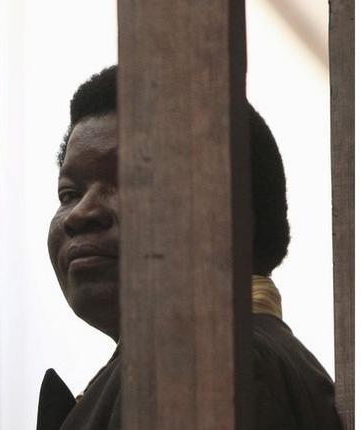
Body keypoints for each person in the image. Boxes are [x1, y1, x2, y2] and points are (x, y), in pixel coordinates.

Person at [38, 65, 341, 429]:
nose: (80, 213)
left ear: (226, 204)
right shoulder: (226, 353)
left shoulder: (207, 363)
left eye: (130, 180)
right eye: (68, 193)